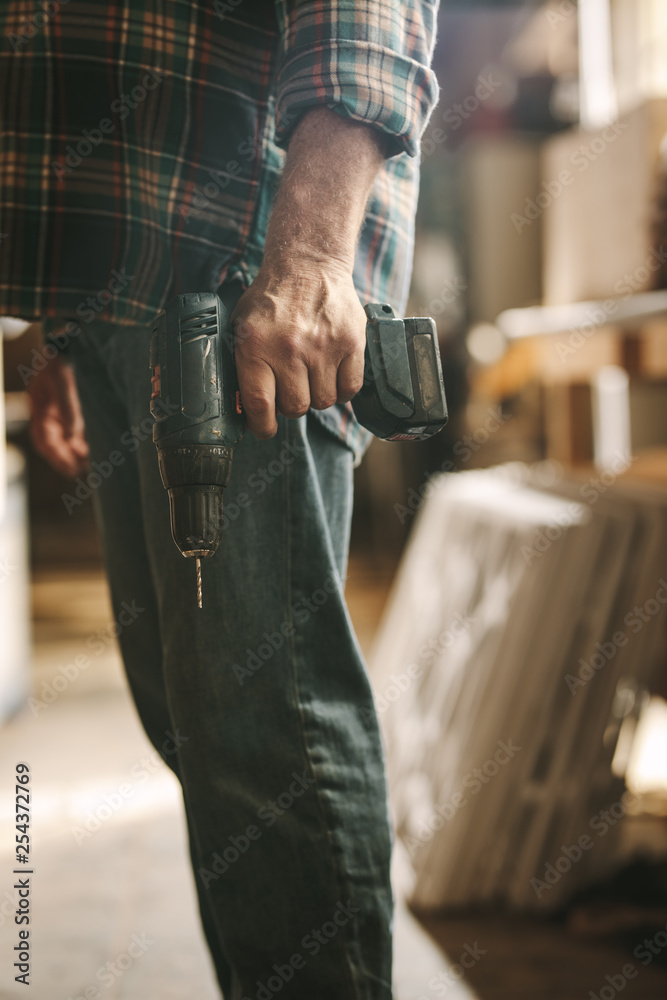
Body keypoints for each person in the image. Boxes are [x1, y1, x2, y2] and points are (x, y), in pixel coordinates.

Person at [0, 1, 439, 995]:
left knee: (264, 736)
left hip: (238, 251)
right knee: (200, 728)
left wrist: (316, 249)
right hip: (117, 264)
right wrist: (62, 317)